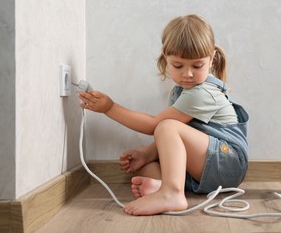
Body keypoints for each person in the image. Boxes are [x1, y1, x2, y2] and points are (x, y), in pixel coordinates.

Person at [78, 14, 249, 216]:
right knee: (144, 167)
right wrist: (148, 154)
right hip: (207, 168)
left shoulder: (203, 93)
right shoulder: (181, 91)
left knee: (166, 125)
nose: (187, 74)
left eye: (197, 66)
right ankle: (163, 187)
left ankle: (171, 193)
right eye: (178, 66)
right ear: (165, 58)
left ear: (211, 60)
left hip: (227, 163)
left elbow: (155, 126)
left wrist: (110, 107)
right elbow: (175, 138)